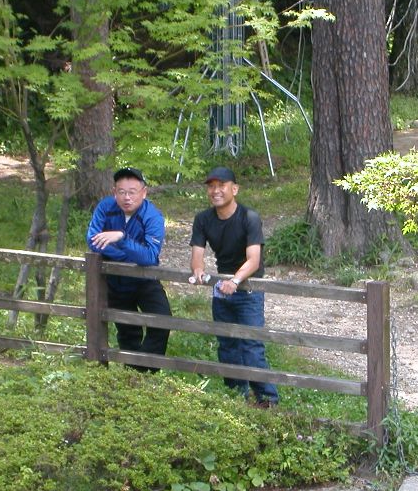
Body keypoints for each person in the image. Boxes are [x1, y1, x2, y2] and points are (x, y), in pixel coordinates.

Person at [189, 166, 279, 407]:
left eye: (222, 185)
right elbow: (197, 254)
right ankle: (236, 396)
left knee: (251, 344)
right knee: (227, 344)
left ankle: (267, 400)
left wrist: (235, 281)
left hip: (248, 289)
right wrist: (198, 270)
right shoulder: (203, 219)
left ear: (234, 189)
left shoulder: (250, 218)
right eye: (211, 186)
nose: (216, 191)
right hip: (222, 289)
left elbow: (254, 260)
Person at [87, 167, 171, 370]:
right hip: (115, 280)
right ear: (114, 192)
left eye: (132, 192)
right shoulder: (106, 207)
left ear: (144, 192)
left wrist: (121, 239)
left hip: (145, 280)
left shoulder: (152, 216)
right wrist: (128, 256)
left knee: (162, 321)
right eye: (122, 192)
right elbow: (93, 240)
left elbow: (150, 256)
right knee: (127, 330)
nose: (127, 197)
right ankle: (129, 375)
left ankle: (143, 371)